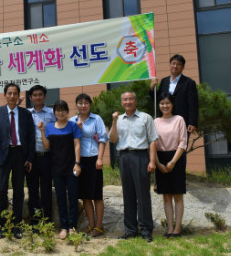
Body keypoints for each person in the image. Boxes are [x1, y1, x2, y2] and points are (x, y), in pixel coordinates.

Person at [0, 83, 36, 239]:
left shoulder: (25, 113)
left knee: (19, 191)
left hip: (20, 155)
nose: (12, 96)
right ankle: (2, 224)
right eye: (9, 93)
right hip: (3, 155)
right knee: (2, 190)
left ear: (18, 95)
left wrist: (29, 158)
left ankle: (16, 225)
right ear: (5, 95)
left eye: (15, 93)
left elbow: (31, 137)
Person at [109, 91, 158, 242]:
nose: (128, 102)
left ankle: (146, 230)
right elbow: (113, 139)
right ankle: (130, 230)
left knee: (143, 195)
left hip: (141, 156)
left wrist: (152, 161)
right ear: (121, 103)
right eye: (125, 100)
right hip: (124, 157)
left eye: (131, 99)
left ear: (135, 101)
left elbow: (152, 140)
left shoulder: (145, 117)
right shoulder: (118, 119)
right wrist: (114, 121)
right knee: (128, 194)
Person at [39, 100, 81, 240]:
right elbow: (46, 146)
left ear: (67, 111)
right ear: (54, 112)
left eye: (63, 110)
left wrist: (77, 163)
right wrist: (42, 131)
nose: (60, 112)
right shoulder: (49, 127)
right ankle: (64, 226)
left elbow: (77, 145)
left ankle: (72, 226)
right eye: (58, 110)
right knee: (60, 198)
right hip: (56, 167)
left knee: (73, 197)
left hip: (71, 166)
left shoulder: (73, 125)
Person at [70, 93, 107, 237]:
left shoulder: (96, 119)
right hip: (79, 161)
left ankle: (99, 226)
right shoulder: (72, 120)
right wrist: (77, 130)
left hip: (93, 158)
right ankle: (91, 225)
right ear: (76, 105)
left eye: (86, 103)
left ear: (90, 105)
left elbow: (103, 138)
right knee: (85, 195)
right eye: (80, 103)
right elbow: (70, 140)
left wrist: (100, 158)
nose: (83, 105)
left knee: (97, 195)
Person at [154, 93, 187, 238]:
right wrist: (157, 163)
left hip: (177, 158)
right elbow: (152, 144)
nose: (165, 106)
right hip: (160, 159)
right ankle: (170, 228)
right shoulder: (155, 122)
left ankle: (178, 228)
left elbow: (183, 143)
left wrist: (173, 162)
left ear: (172, 104)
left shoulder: (179, 119)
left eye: (167, 103)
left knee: (177, 196)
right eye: (162, 103)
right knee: (166, 197)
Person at [26, 85, 55, 225]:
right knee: (32, 190)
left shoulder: (52, 113)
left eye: (40, 94)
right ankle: (35, 221)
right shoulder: (26, 113)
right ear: (30, 97)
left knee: (46, 189)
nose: (38, 97)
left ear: (44, 96)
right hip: (31, 158)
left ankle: (47, 221)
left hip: (47, 156)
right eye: (35, 95)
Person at [150, 54, 198, 134]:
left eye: (178, 64)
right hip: (165, 119)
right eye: (173, 63)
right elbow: (158, 99)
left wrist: (192, 122)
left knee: (181, 141)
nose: (175, 66)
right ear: (170, 65)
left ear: (183, 67)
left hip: (182, 120)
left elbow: (193, 104)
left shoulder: (189, 83)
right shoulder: (164, 81)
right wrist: (152, 88)